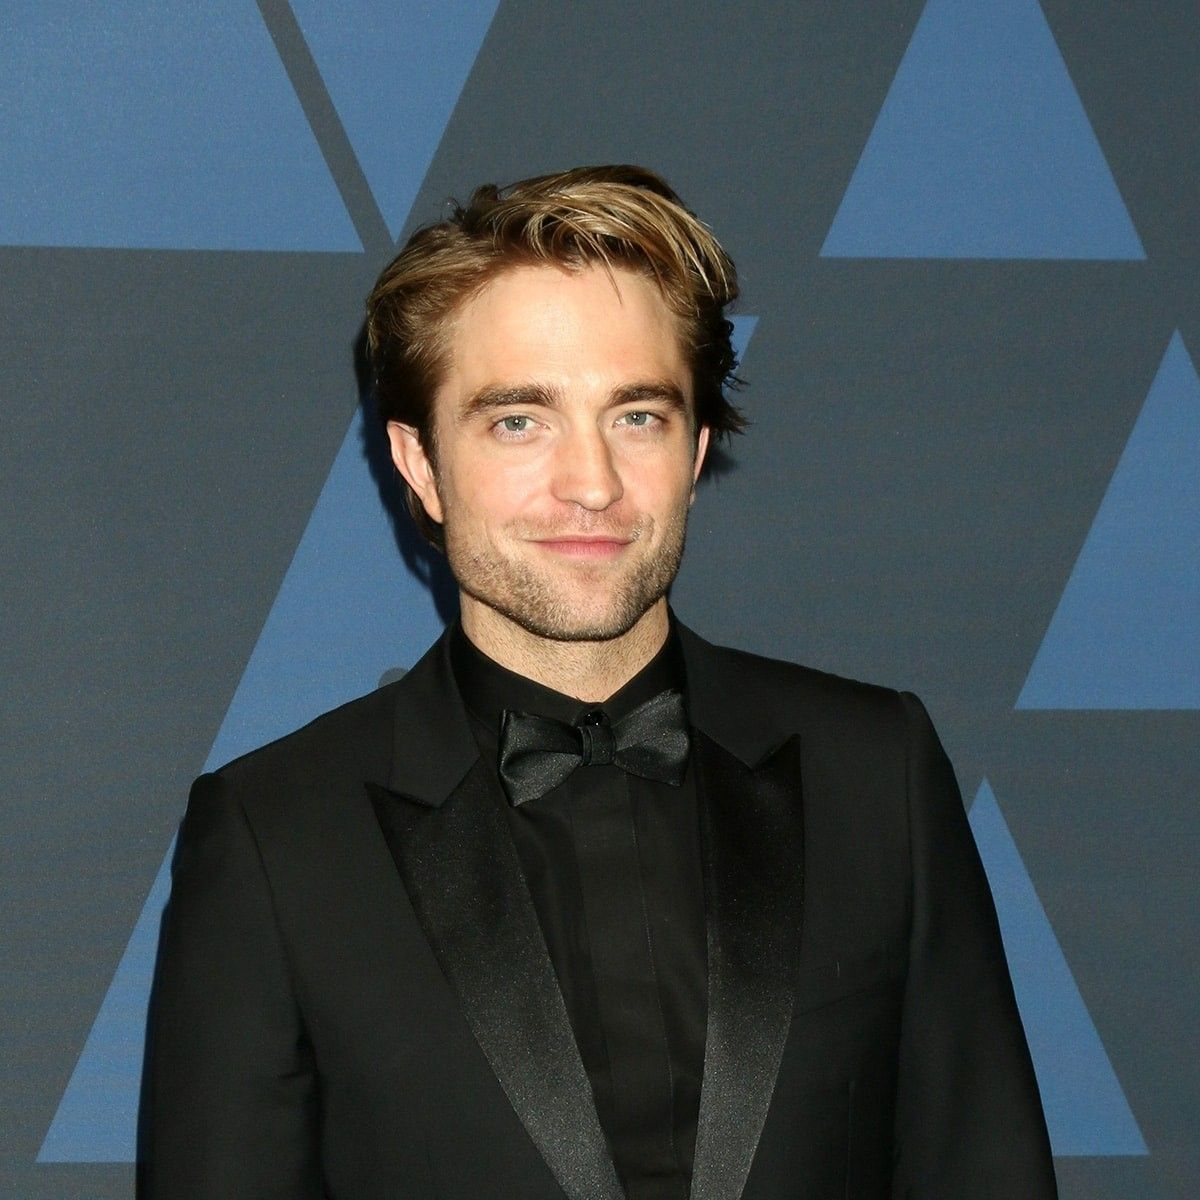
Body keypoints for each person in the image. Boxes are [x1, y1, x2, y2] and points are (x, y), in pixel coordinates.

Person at [141, 165, 1057, 1200]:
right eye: (519, 421)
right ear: (421, 464)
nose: (592, 484)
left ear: (696, 448)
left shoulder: (876, 773)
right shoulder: (278, 837)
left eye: (637, 416)